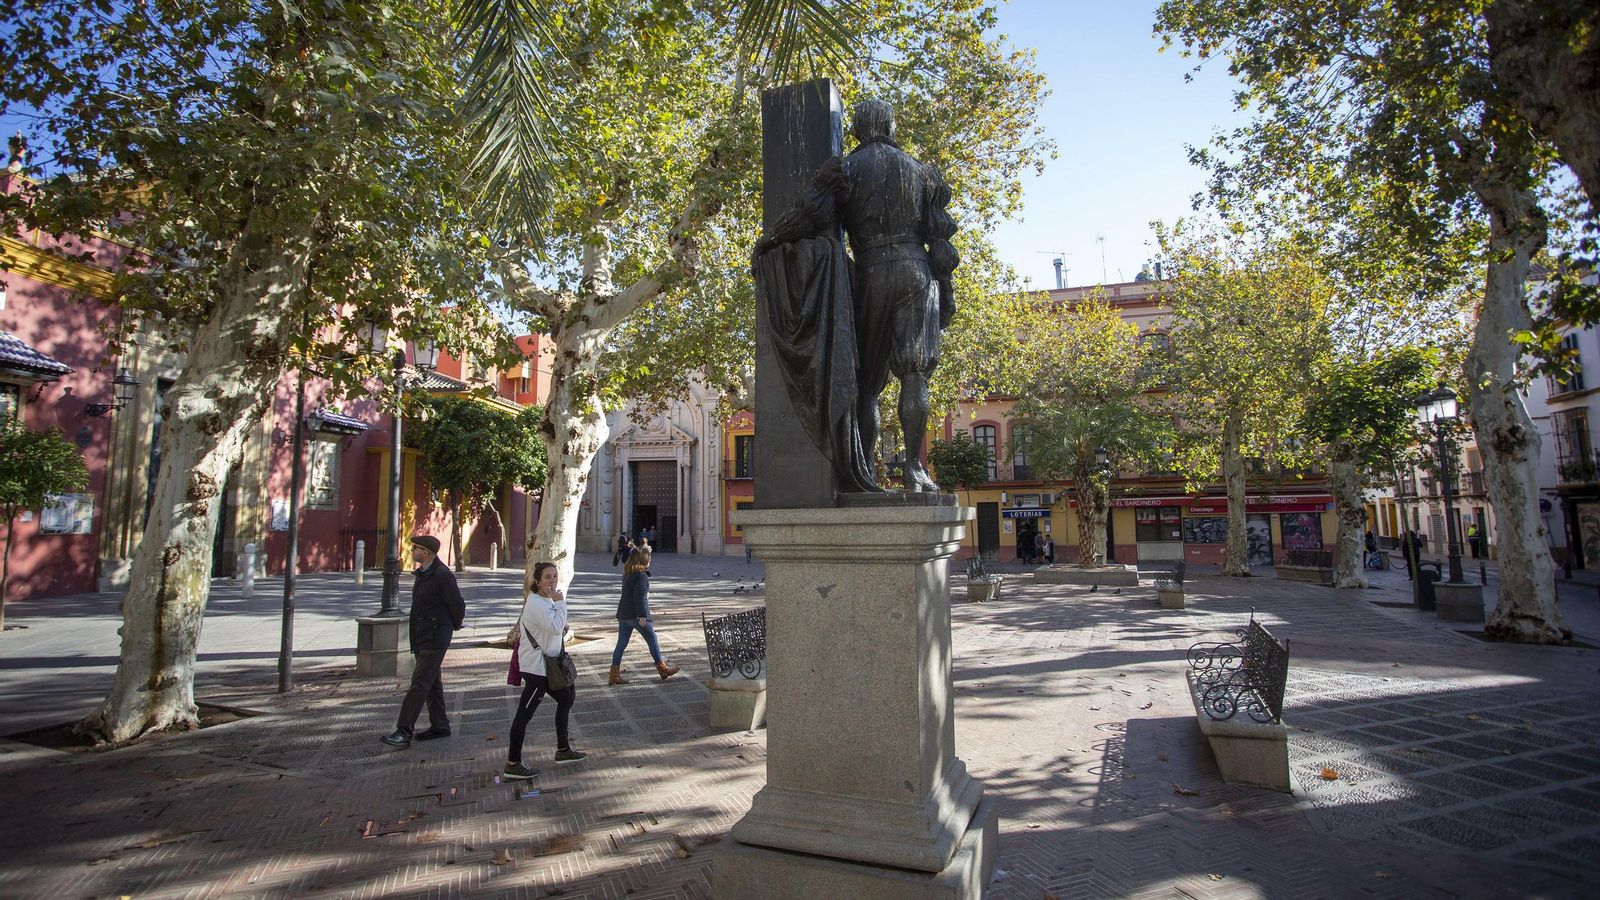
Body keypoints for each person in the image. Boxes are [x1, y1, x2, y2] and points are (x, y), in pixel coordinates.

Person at [753, 98, 959, 493]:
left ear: (857, 131)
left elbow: (808, 216)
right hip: (917, 272)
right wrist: (946, 295)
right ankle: (914, 472)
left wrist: (770, 240)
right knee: (914, 374)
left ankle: (860, 473)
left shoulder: (844, 169)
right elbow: (942, 244)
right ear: (892, 127)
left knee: (867, 383)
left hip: (869, 274)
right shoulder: (924, 174)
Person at [504, 561, 587, 779]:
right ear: (538, 581)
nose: (552, 581)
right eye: (547, 577)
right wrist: (561, 603)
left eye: (554, 576)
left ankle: (563, 749)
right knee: (524, 714)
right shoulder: (536, 603)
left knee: (567, 697)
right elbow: (555, 626)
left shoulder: (544, 601)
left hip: (551, 665)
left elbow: (554, 628)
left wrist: (558, 611)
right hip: (537, 669)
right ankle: (513, 763)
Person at [382, 535, 465, 748]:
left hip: (435, 636)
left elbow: (457, 604)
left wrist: (451, 626)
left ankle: (403, 731)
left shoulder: (441, 574)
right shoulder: (424, 573)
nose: (412, 551)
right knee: (432, 682)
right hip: (423, 635)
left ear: (426, 552)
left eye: (415, 548)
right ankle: (440, 725)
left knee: (419, 684)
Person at [608, 547, 681, 685]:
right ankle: (662, 669)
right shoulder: (641, 576)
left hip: (623, 615)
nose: (651, 560)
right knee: (652, 638)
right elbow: (639, 598)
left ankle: (614, 675)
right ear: (644, 560)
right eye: (649, 558)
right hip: (635, 616)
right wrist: (642, 616)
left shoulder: (628, 573)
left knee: (621, 644)